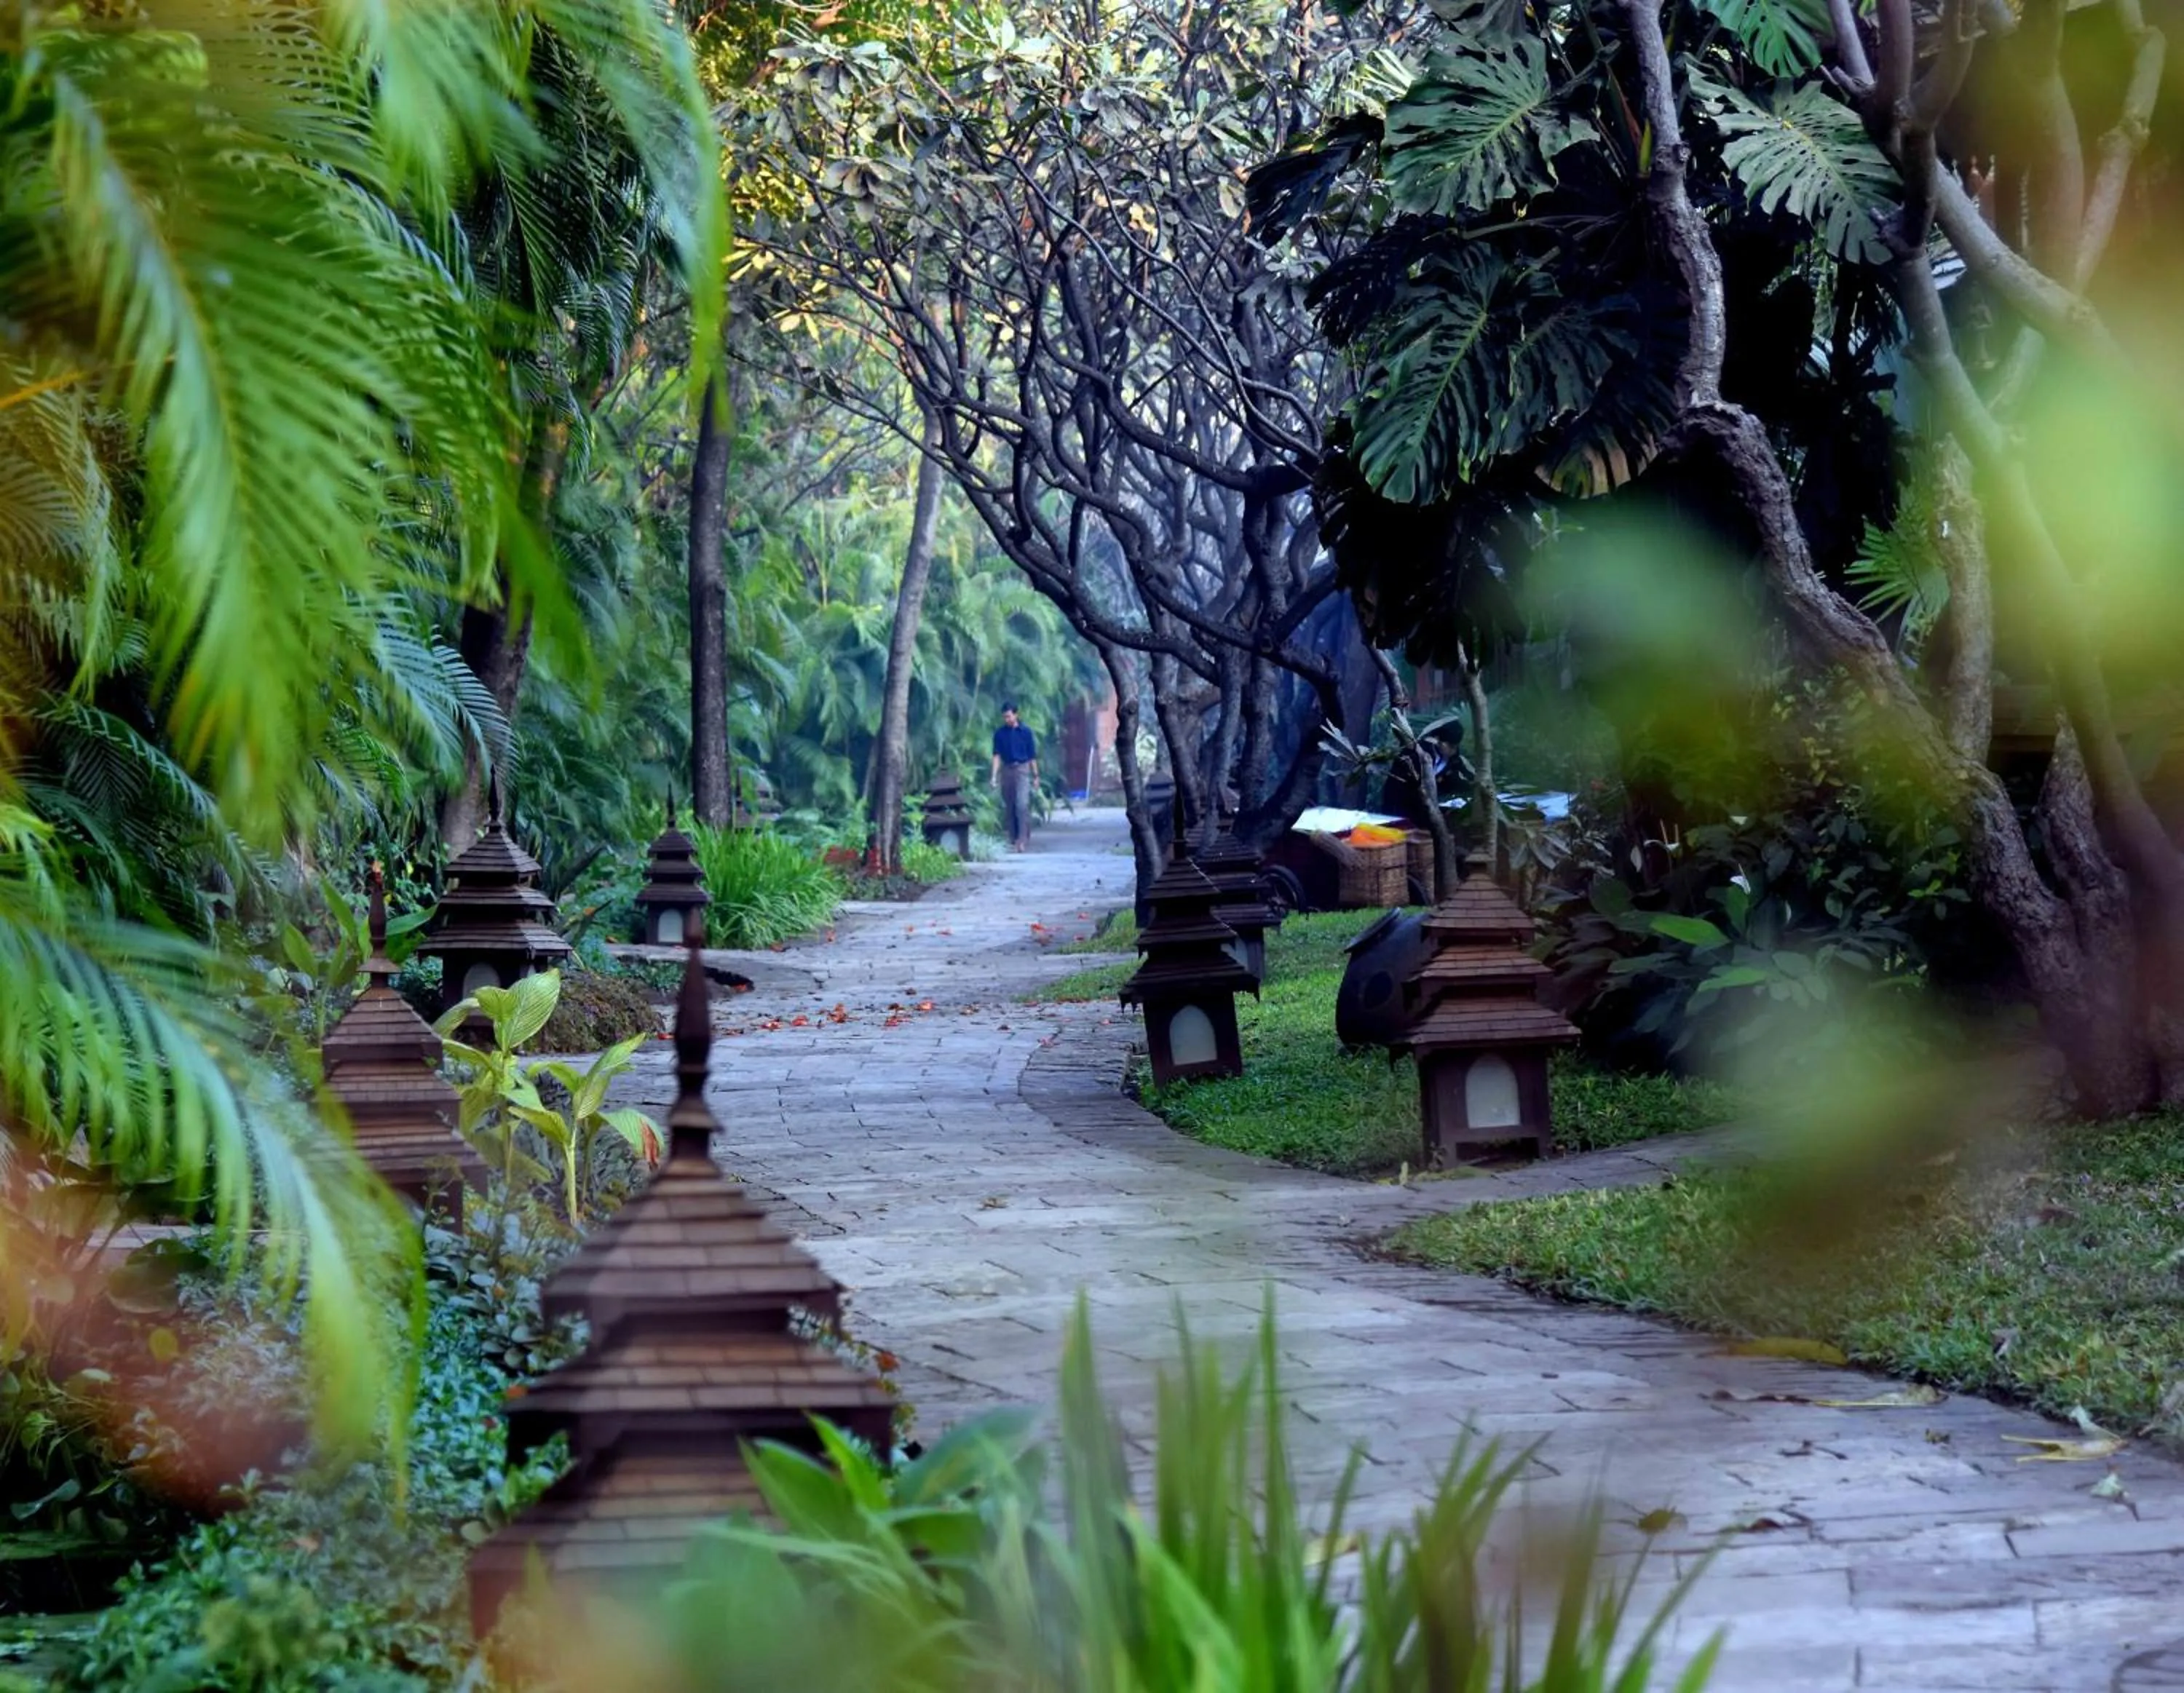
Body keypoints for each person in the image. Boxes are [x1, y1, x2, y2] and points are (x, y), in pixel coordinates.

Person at [990, 702, 1039, 852]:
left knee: (1022, 804)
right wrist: (994, 776)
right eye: (1005, 717)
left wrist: (1036, 776)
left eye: (1009, 716)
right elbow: (997, 756)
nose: (1007, 720)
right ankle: (1013, 838)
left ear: (1016, 715)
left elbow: (1032, 756)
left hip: (1023, 769)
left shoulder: (1026, 732)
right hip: (1007, 770)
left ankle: (1022, 839)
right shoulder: (999, 734)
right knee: (1010, 806)